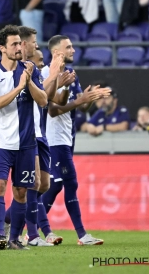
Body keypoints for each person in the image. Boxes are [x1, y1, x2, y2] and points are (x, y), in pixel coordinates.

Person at [0, 25, 48, 250]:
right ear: (2, 48)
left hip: (27, 143)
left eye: (20, 43)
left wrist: (28, 82)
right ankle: (0, 235)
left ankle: (14, 239)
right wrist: (19, 88)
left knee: (21, 191)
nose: (20, 47)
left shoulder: (30, 69)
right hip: (0, 143)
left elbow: (43, 101)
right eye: (14, 44)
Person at [8, 26, 74, 247]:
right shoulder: (17, 69)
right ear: (24, 44)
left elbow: (50, 99)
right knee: (33, 185)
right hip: (24, 134)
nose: (37, 45)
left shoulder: (33, 68)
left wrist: (60, 83)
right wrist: (54, 73)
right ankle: (35, 234)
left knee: (43, 185)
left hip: (40, 131)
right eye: (34, 42)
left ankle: (9, 218)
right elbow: (42, 96)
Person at [41, 35, 110, 245]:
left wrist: (88, 99)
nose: (73, 50)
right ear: (57, 53)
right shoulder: (46, 74)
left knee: (54, 187)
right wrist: (80, 100)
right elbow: (52, 110)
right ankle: (82, 235)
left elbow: (80, 106)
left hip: (67, 137)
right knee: (70, 182)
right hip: (53, 139)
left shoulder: (71, 75)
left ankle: (33, 229)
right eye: (68, 47)